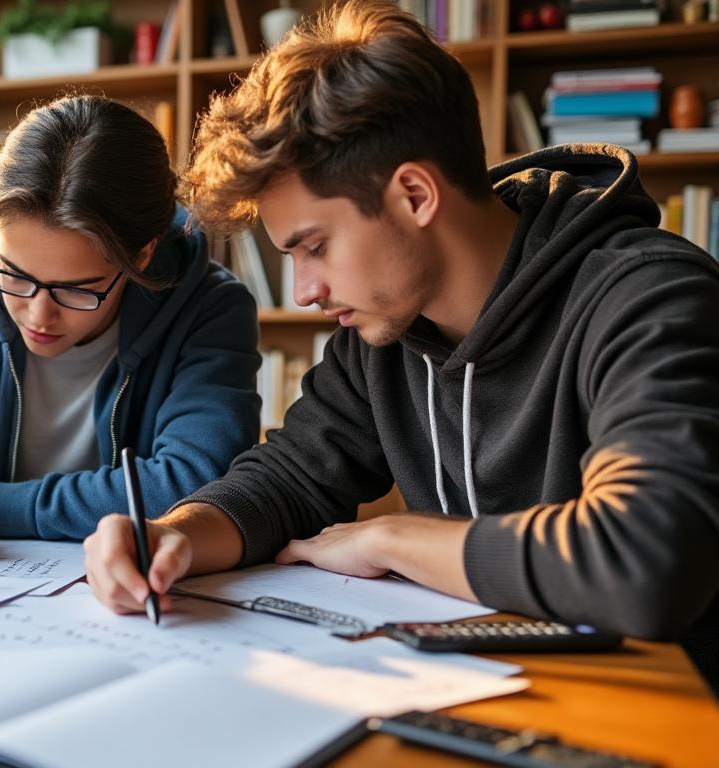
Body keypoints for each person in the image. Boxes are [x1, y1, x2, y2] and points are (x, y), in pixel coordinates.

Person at [83, 0, 719, 688]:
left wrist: (395, 537)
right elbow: (291, 478)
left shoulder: (649, 299)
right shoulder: (382, 332)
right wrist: (176, 533)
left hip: (668, 707)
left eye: (315, 247)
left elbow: (644, 560)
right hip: (493, 686)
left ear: (414, 194)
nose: (303, 292)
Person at [0, 95, 261, 556]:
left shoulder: (210, 310)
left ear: (142, 254)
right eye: (13, 274)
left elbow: (197, 483)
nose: (39, 315)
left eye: (77, 290)